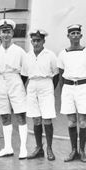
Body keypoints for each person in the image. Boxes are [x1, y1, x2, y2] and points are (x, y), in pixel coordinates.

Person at [57, 24, 86, 163]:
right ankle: (73, 150)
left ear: (81, 35)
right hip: (68, 88)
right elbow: (61, 76)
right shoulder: (62, 54)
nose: (75, 35)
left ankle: (82, 151)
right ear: (68, 36)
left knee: (83, 122)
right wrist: (63, 93)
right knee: (72, 122)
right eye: (72, 33)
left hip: (83, 87)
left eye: (77, 33)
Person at [0, 19, 28, 159]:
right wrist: (3, 82)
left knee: (20, 114)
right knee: (4, 115)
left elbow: (25, 72)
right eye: (3, 32)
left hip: (15, 81)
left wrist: (18, 83)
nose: (5, 34)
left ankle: (23, 148)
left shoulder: (19, 51)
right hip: (1, 82)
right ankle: (8, 148)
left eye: (8, 31)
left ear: (12, 33)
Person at [21, 29, 59, 161]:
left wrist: (50, 89)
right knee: (36, 119)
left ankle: (49, 148)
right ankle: (38, 148)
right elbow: (24, 75)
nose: (36, 43)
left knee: (47, 118)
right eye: (34, 41)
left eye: (39, 40)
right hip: (32, 86)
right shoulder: (27, 56)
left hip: (46, 84)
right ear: (31, 41)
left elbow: (56, 75)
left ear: (44, 41)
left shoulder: (50, 55)